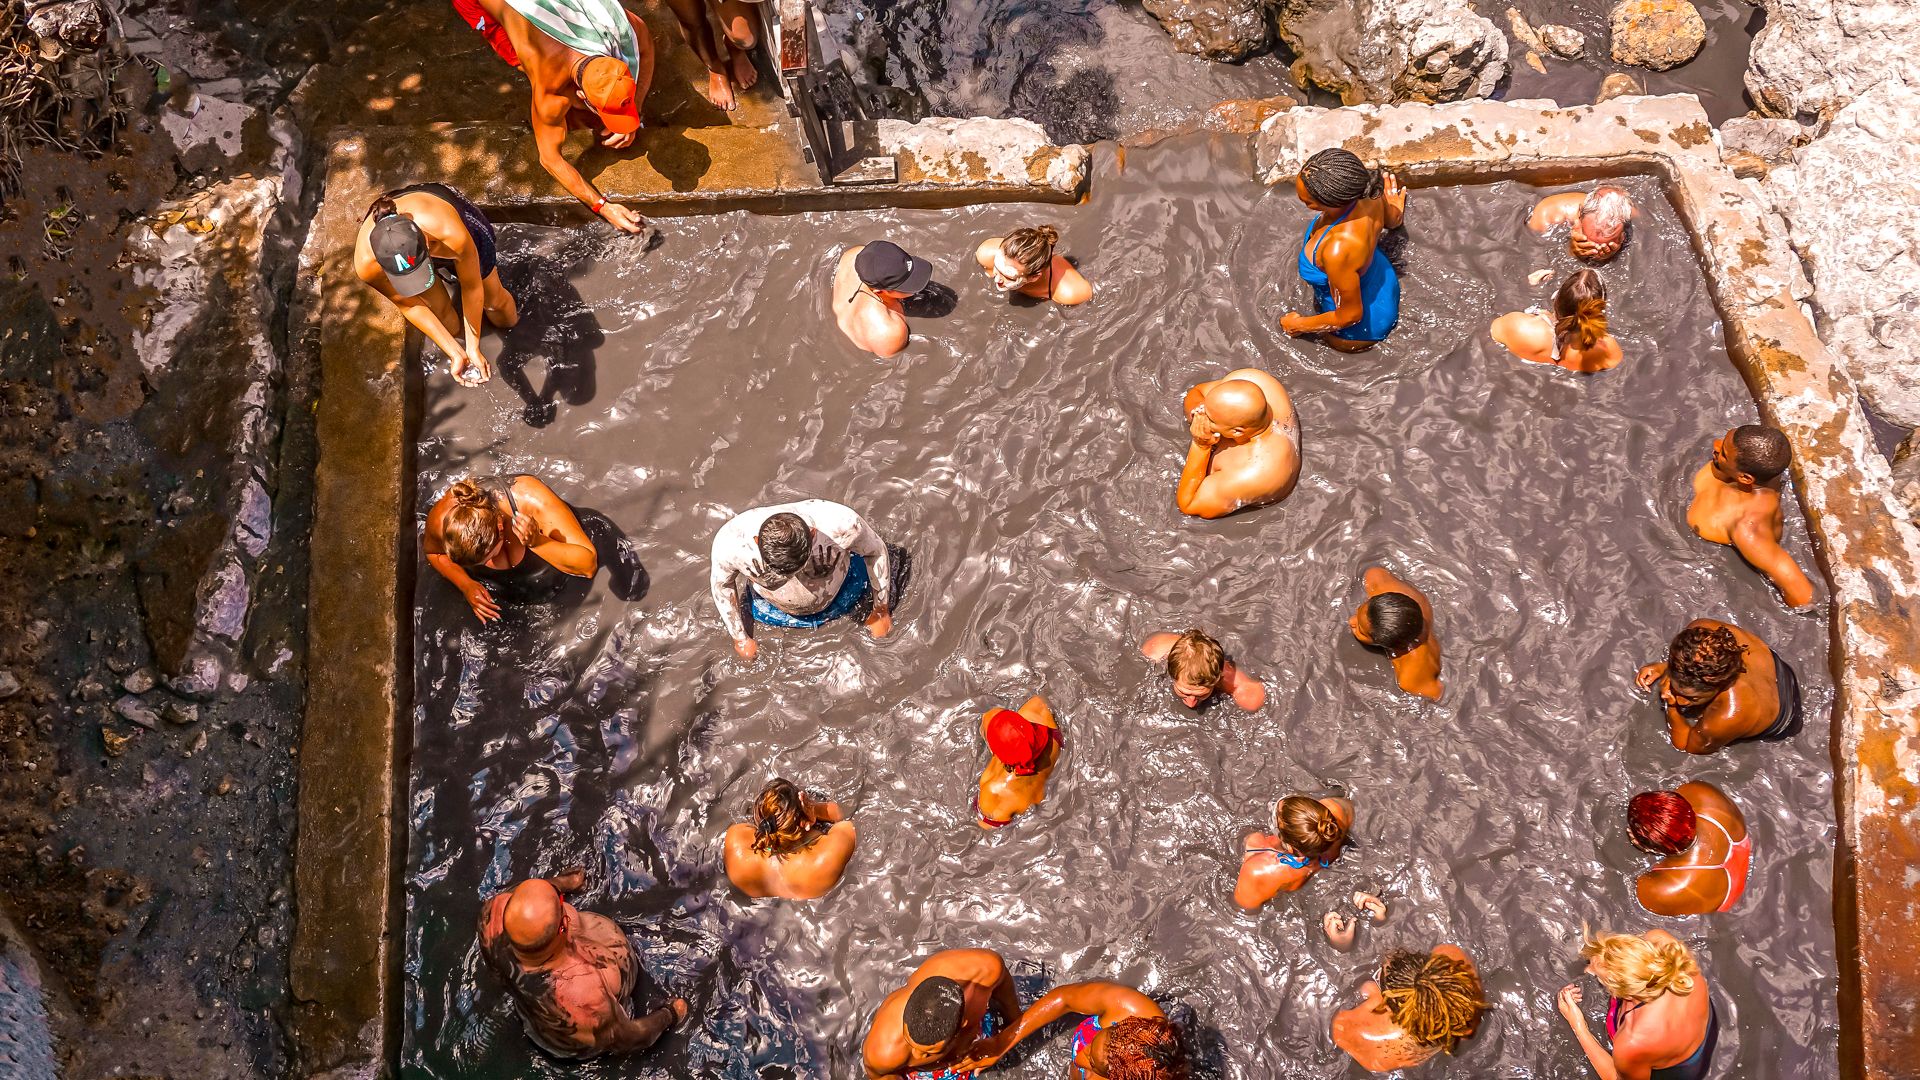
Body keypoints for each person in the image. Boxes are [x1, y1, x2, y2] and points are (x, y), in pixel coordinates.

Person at [465, 0, 654, 233]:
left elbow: (644, 50)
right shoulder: (550, 93)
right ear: (580, 94)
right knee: (511, 50)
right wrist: (604, 207)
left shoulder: (620, 27)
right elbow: (550, 159)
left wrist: (635, 105)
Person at [477, 871, 688, 1059]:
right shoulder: (586, 1002)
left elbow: (525, 894)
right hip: (581, 1035)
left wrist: (563, 883)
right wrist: (669, 1014)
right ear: (563, 925)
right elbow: (630, 1039)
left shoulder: (492, 918)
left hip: (533, 1015)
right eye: (561, 902)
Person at [354, 187, 519, 386]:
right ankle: (460, 345)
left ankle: (516, 333)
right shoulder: (366, 265)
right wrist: (455, 352)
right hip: (418, 249)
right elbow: (409, 305)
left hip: (450, 229)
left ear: (426, 241)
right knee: (443, 317)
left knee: (495, 302)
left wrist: (474, 347)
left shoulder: (450, 232)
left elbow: (472, 288)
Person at [709, 500, 893, 660]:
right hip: (775, 614)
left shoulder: (842, 526)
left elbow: (876, 551)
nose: (791, 579)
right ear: (757, 541)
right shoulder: (731, 544)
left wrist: (881, 610)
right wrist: (740, 639)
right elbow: (722, 585)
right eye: (781, 574)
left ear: (813, 534)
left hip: (847, 592)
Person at [424, 475, 598, 622]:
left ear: (501, 529)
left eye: (489, 557)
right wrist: (466, 584)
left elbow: (588, 565)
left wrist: (538, 542)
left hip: (562, 584)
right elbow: (434, 553)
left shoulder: (531, 501)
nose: (488, 563)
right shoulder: (441, 522)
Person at [1280, 147, 1404, 350]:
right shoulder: (1369, 192)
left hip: (1358, 332)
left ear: (1333, 201)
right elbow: (1392, 221)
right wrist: (1395, 208)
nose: (1304, 204)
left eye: (1308, 203)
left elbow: (1350, 316)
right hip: (1381, 277)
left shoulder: (1338, 249)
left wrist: (1296, 325)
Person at [1558, 928, 1718, 1080]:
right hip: (1704, 1026)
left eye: (1601, 979)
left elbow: (1615, 1078)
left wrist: (1577, 1024)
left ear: (1623, 991)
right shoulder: (1667, 946)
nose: (1589, 971)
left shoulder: (1634, 1040)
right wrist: (1598, 966)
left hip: (1684, 1070)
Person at [1686, 424, 1815, 607]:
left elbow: (1804, 596)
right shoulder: (1761, 462)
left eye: (1723, 452)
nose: (1715, 444)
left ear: (1746, 478)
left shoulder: (1747, 529)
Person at [952, 980, 1186, 1079]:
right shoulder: (1128, 1007)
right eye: (1095, 1041)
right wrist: (1004, 1041)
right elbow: (1065, 999)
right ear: (1120, 1026)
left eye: (1093, 1064)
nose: (1081, 1053)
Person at [1635, 618, 1802, 753]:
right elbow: (1695, 663)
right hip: (1773, 666)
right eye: (1678, 691)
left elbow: (1686, 746)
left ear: (1720, 686)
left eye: (1691, 698)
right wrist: (1667, 667)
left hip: (1783, 716)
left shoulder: (1729, 716)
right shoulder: (1702, 631)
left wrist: (1671, 706)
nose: (1681, 701)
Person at [861, 948, 1020, 1080]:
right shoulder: (884, 1052)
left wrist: (1007, 1038)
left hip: (980, 1040)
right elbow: (881, 1077)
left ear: (962, 1024)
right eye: (911, 1043)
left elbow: (1011, 1009)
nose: (917, 1055)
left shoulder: (984, 970)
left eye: (929, 1052)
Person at [1332, 945, 1485, 1072]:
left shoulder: (1363, 1036)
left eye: (1380, 976)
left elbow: (1338, 1030)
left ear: (1391, 1008)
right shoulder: (1458, 972)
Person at [1176, 367, 1301, 517]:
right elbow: (1198, 392)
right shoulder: (1254, 380)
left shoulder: (1252, 473)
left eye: (1209, 418)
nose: (1201, 415)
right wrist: (1197, 411)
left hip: (1259, 480)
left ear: (1237, 431)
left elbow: (1188, 505)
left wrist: (1200, 445)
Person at [1627, 783, 1749, 916]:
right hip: (1738, 852)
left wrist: (1643, 846)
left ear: (1652, 848)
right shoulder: (1704, 794)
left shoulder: (1663, 891)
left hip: (1722, 899)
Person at [723, 778, 856, 899]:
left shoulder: (735, 841)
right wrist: (814, 810)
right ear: (804, 822)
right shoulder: (823, 862)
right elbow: (847, 817)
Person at [1490, 269, 1623, 373]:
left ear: (1557, 298)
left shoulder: (1517, 326)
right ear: (1598, 313)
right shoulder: (1606, 349)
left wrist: (1527, 288)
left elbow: (1490, 334)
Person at [1234, 793, 1352, 909]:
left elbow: (1243, 908)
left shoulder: (1257, 871)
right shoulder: (1335, 815)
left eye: (1275, 819)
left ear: (1290, 847)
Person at [1349, 566, 1442, 700]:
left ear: (1389, 645)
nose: (1351, 621)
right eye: (1359, 611)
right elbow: (1374, 571)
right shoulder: (1377, 580)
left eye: (1361, 631)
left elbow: (1436, 693)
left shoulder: (1410, 677)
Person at [975, 695, 1062, 829]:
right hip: (1052, 734)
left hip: (1016, 806)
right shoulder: (1037, 705)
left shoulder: (994, 792)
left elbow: (984, 827)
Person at [833, 241, 933, 359]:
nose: (914, 290)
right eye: (906, 287)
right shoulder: (889, 334)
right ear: (879, 291)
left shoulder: (854, 255)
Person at [1140, 629, 1266, 711]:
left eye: (1201, 694)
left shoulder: (1235, 684)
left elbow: (1254, 696)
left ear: (1218, 678)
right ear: (1172, 674)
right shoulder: (1155, 650)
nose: (1191, 703)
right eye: (1185, 692)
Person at [974, 226, 1091, 306]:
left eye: (1009, 277)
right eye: (997, 266)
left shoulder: (1071, 293)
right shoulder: (986, 254)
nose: (997, 279)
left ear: (1034, 277)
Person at [1529, 185, 1634, 262]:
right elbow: (1533, 256)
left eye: (1603, 245)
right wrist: (1570, 251)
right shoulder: (1548, 214)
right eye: (1590, 242)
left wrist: (1612, 256)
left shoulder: (1632, 215)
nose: (1595, 251)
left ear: (1622, 235)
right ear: (1579, 214)